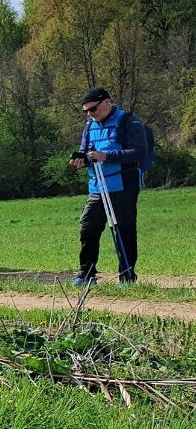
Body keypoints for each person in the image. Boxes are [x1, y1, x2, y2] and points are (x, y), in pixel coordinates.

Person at [69, 87, 148, 285]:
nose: (90, 114)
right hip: (97, 186)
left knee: (124, 230)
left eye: (93, 109)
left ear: (106, 102)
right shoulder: (89, 126)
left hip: (123, 185)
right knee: (88, 228)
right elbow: (86, 151)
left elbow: (139, 152)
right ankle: (87, 275)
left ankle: (127, 276)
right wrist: (82, 160)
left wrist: (107, 156)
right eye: (86, 111)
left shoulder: (128, 121)